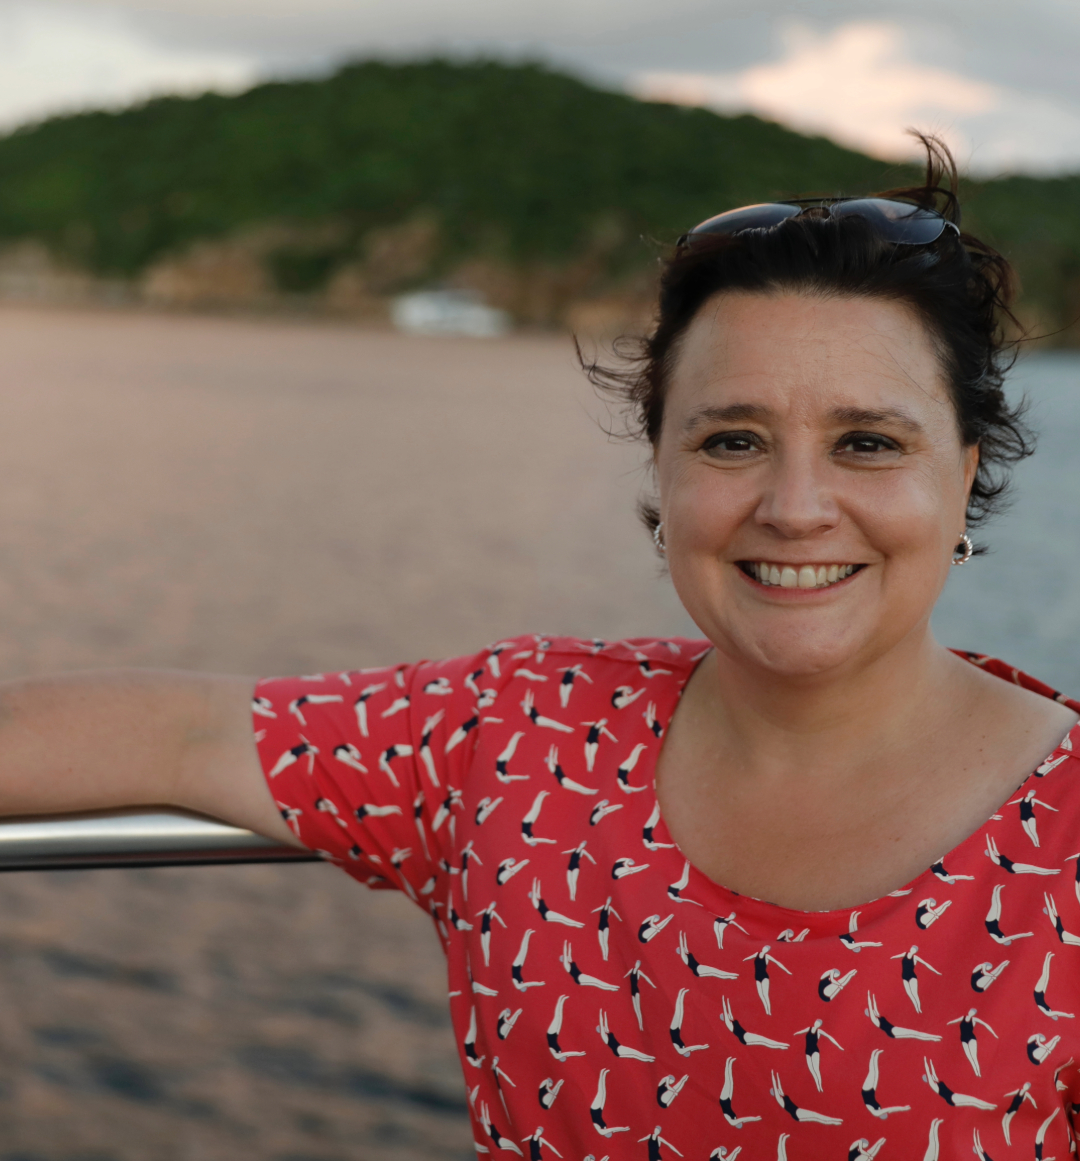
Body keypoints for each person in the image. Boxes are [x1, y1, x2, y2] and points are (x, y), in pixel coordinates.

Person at [1, 136, 1078, 1157]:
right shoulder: (525, 736)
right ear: (661, 466)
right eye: (733, 440)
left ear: (963, 474)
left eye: (868, 443)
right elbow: (180, 733)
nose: (797, 507)